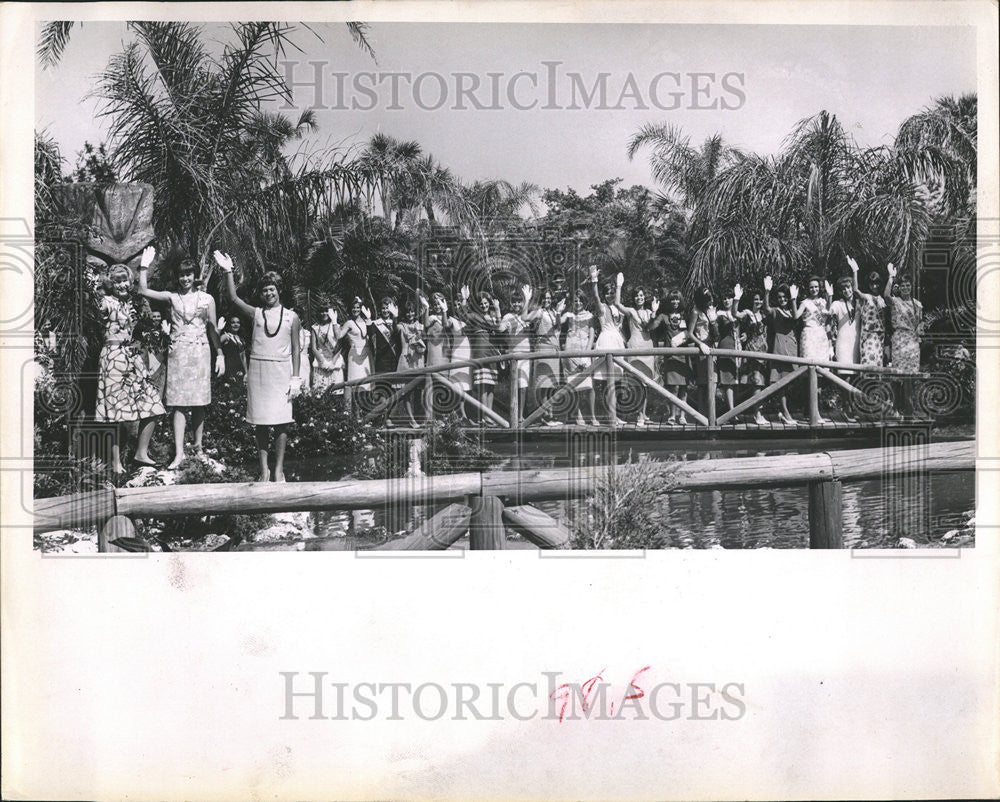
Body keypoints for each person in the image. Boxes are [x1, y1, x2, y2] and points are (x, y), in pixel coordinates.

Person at [214, 252, 302, 482]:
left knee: (282, 423)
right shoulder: (256, 313)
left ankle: (279, 470)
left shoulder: (292, 317)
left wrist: (296, 378)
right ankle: (264, 470)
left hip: (282, 373)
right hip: (259, 372)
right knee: (261, 423)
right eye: (264, 290)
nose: (268, 293)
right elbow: (233, 299)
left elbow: (296, 349)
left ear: (279, 290)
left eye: (272, 289)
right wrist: (228, 271)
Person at [138, 247, 223, 469]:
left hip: (201, 352)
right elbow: (143, 291)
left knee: (199, 402)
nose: (185, 278)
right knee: (178, 404)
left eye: (189, 274)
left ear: (195, 276)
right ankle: (179, 453)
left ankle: (198, 447)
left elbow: (213, 329)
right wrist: (144, 266)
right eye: (182, 274)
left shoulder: (207, 299)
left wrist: (220, 353)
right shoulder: (172, 297)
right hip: (178, 353)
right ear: (177, 276)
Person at [94, 263, 166, 474]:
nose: (122, 285)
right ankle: (116, 463)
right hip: (113, 356)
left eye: (125, 280)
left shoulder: (132, 304)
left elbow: (145, 326)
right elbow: (92, 311)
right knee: (116, 412)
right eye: (117, 281)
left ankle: (140, 453)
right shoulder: (106, 302)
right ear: (110, 284)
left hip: (132, 356)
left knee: (153, 403)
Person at [614, 276, 656, 427]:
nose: (639, 298)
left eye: (641, 295)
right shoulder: (631, 311)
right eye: (637, 295)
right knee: (636, 383)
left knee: (645, 384)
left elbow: (651, 328)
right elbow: (617, 304)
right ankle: (638, 414)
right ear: (634, 298)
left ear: (645, 298)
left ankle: (642, 414)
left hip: (647, 347)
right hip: (635, 347)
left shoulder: (650, 311)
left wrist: (654, 314)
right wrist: (619, 286)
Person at [589, 267, 626, 426]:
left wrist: (619, 286)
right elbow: (596, 297)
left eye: (612, 292)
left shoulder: (618, 307)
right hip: (606, 340)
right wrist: (594, 281)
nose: (610, 295)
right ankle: (609, 415)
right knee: (606, 382)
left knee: (616, 382)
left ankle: (615, 414)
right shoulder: (602, 307)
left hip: (617, 341)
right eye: (608, 293)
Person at [522, 287, 563, 426]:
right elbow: (524, 318)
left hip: (554, 349)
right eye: (545, 298)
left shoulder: (551, 312)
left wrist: (558, 312)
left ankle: (550, 413)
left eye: (549, 298)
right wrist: (527, 300)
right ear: (541, 299)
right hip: (543, 348)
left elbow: (558, 327)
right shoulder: (539, 312)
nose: (547, 300)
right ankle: (544, 415)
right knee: (544, 383)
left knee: (552, 384)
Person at [649, 289, 691, 425]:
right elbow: (651, 327)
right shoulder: (664, 316)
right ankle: (672, 415)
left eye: (677, 299)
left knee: (684, 387)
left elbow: (692, 332)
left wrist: (682, 338)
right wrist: (653, 312)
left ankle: (682, 416)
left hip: (684, 355)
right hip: (671, 356)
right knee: (673, 387)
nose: (675, 302)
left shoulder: (685, 315)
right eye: (673, 299)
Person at [762, 277, 800, 424]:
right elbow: (766, 309)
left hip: (791, 347)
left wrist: (794, 299)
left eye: (785, 297)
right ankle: (785, 413)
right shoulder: (776, 311)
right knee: (781, 383)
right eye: (779, 297)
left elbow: (796, 317)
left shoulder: (793, 310)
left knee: (789, 383)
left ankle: (783, 411)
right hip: (779, 348)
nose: (782, 299)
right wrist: (767, 292)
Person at [462, 290, 504, 424]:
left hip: (492, 353)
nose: (484, 305)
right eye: (481, 304)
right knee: (482, 386)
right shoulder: (475, 316)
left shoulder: (492, 315)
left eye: (486, 303)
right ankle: (483, 417)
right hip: (480, 352)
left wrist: (497, 309)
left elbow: (498, 327)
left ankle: (489, 416)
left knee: (490, 385)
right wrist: (464, 299)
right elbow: (463, 315)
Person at [888, 266, 923, 415]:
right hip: (899, 339)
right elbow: (885, 295)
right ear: (899, 287)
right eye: (902, 285)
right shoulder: (895, 301)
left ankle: (909, 408)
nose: (905, 288)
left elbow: (920, 321)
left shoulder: (918, 304)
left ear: (911, 287)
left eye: (908, 285)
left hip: (913, 341)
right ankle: (896, 407)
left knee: (910, 375)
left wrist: (920, 328)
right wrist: (890, 277)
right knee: (898, 374)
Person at [561, 291, 598, 426]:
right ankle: (578, 415)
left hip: (584, 350)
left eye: (580, 300)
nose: (578, 303)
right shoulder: (569, 315)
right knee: (573, 383)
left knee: (589, 386)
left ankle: (593, 416)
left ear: (584, 301)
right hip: (571, 350)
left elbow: (592, 335)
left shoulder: (589, 316)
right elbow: (559, 322)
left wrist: (586, 354)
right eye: (575, 301)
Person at [847, 256, 891, 367]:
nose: (874, 286)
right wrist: (855, 271)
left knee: (878, 364)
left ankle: (875, 385)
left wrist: (891, 276)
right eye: (872, 284)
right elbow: (856, 290)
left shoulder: (882, 299)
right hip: (868, 335)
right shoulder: (867, 297)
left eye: (876, 283)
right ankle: (865, 384)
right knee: (867, 362)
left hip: (879, 335)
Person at [734, 286, 769, 425]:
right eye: (756, 299)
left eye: (760, 299)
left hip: (764, 352)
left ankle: (758, 412)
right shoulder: (748, 313)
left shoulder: (765, 314)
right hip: (752, 351)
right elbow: (735, 314)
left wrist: (767, 291)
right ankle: (757, 413)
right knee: (756, 382)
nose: (758, 302)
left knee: (761, 384)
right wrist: (737, 298)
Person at [499, 285, 533, 421]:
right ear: (510, 303)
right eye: (514, 302)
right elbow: (500, 329)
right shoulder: (508, 316)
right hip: (513, 355)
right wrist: (505, 327)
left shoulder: (527, 315)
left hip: (525, 354)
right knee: (514, 385)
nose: (517, 304)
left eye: (519, 301)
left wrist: (528, 300)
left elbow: (528, 321)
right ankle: (513, 416)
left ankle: (520, 417)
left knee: (523, 386)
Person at [686, 286, 718, 418]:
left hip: (713, 348)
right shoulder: (695, 311)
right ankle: (702, 416)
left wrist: (713, 320)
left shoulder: (710, 310)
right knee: (703, 384)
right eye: (707, 300)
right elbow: (690, 333)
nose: (710, 301)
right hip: (702, 349)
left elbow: (716, 332)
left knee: (714, 381)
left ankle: (712, 416)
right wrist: (700, 344)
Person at [395, 299, 425, 427]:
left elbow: (422, 343)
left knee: (419, 390)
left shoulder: (420, 326)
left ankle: (420, 418)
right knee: (407, 390)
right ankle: (411, 419)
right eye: (408, 312)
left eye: (412, 312)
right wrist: (394, 316)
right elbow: (394, 328)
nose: (410, 314)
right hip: (406, 358)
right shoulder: (401, 325)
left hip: (418, 358)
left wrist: (418, 335)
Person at [715, 286, 741, 416]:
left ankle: (732, 410)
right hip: (726, 347)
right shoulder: (719, 314)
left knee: (736, 380)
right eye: (724, 298)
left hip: (738, 347)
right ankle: (731, 413)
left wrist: (745, 334)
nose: (726, 300)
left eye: (729, 298)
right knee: (728, 381)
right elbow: (723, 327)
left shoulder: (738, 312)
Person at [796, 276, 834, 363]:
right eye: (811, 287)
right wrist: (793, 300)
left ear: (819, 288)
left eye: (816, 287)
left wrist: (830, 295)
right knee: (808, 362)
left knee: (822, 364)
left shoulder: (824, 301)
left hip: (821, 335)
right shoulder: (805, 303)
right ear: (808, 288)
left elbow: (828, 311)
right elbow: (796, 316)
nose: (814, 289)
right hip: (808, 335)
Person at [309, 306, 344, 393]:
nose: (324, 313)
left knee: (336, 392)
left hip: (334, 362)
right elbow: (313, 347)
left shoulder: (336, 326)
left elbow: (339, 346)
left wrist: (333, 363)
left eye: (326, 311)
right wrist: (322, 362)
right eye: (322, 311)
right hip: (321, 363)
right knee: (320, 392)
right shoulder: (315, 327)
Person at [219, 313, 248, 380]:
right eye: (233, 322)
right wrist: (219, 329)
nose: (236, 324)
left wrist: (246, 373)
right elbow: (215, 345)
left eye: (238, 323)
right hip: (228, 371)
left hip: (240, 372)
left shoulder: (240, 339)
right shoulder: (226, 336)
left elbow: (243, 357)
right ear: (229, 324)